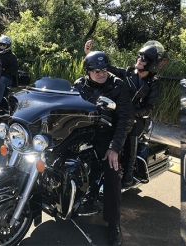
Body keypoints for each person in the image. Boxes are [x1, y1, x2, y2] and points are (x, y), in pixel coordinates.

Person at [84, 40, 167, 186]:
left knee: (131, 126)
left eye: (144, 58)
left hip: (136, 117)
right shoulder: (127, 72)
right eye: (139, 56)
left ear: (151, 63)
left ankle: (128, 171)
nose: (139, 59)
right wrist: (89, 54)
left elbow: (149, 107)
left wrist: (130, 112)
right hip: (115, 110)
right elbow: (105, 67)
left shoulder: (153, 82)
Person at [73, 51, 134, 246]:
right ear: (87, 71)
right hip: (84, 130)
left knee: (111, 170)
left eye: (104, 69)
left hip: (108, 132)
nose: (101, 73)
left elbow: (126, 118)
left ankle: (114, 223)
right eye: (96, 70)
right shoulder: (78, 85)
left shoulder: (117, 85)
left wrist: (115, 147)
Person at [0, 35, 16, 100]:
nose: (2, 46)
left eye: (4, 45)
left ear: (8, 46)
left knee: (1, 80)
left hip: (8, 78)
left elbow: (15, 69)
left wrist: (4, 70)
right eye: (0, 45)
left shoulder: (12, 56)